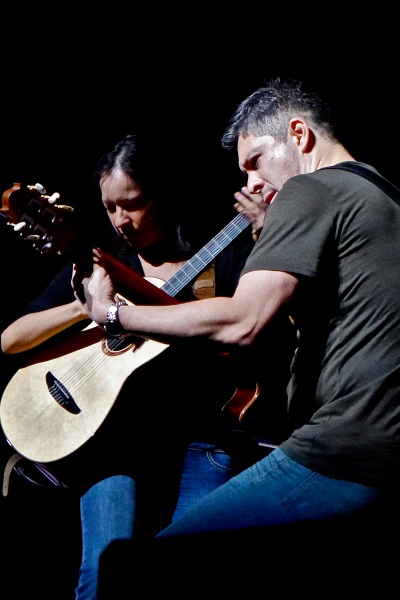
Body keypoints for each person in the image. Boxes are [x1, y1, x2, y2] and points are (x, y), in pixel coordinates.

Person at [77, 79, 400, 592]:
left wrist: (117, 316)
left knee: (135, 575)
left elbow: (243, 322)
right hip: (384, 455)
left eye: (254, 161)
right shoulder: (383, 194)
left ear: (300, 134)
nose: (249, 182)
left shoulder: (310, 187)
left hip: (344, 450)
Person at [1, 133, 295, 599]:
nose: (121, 221)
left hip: (204, 438)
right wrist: (88, 309)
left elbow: (265, 334)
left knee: (185, 576)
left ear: (162, 195)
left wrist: (272, 238)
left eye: (132, 205)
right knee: (103, 575)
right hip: (116, 444)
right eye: (110, 207)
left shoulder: (221, 254)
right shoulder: (103, 261)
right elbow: (10, 340)